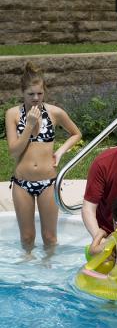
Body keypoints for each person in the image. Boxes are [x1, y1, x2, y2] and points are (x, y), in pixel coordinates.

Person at [5, 61, 82, 258]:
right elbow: (14, 152)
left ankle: (48, 270)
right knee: (27, 237)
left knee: (49, 237)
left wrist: (61, 151)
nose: (35, 98)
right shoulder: (13, 114)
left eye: (39, 93)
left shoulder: (54, 112)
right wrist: (29, 125)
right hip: (22, 183)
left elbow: (76, 133)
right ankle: (27, 274)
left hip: (48, 182)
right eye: (31, 94)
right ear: (22, 92)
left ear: (44, 91)